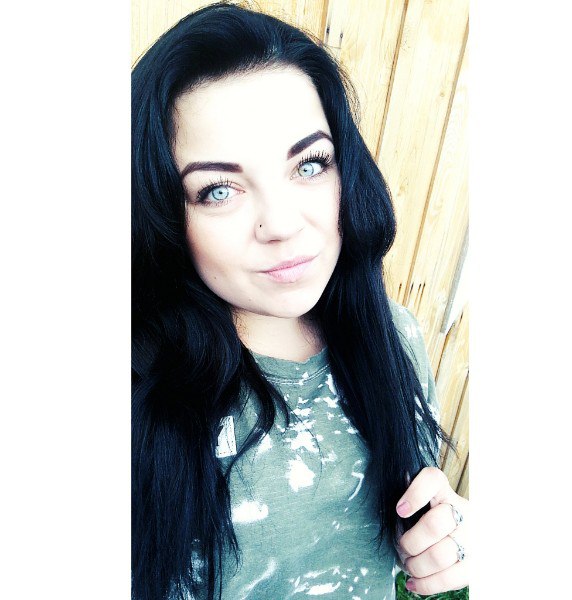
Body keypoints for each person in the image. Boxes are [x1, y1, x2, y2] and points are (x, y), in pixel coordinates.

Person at [131, 3, 469, 599]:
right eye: (218, 190)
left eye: (309, 164)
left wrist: (439, 540)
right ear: (162, 211)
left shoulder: (393, 336)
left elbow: (393, 542)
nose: (283, 224)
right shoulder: (137, 388)